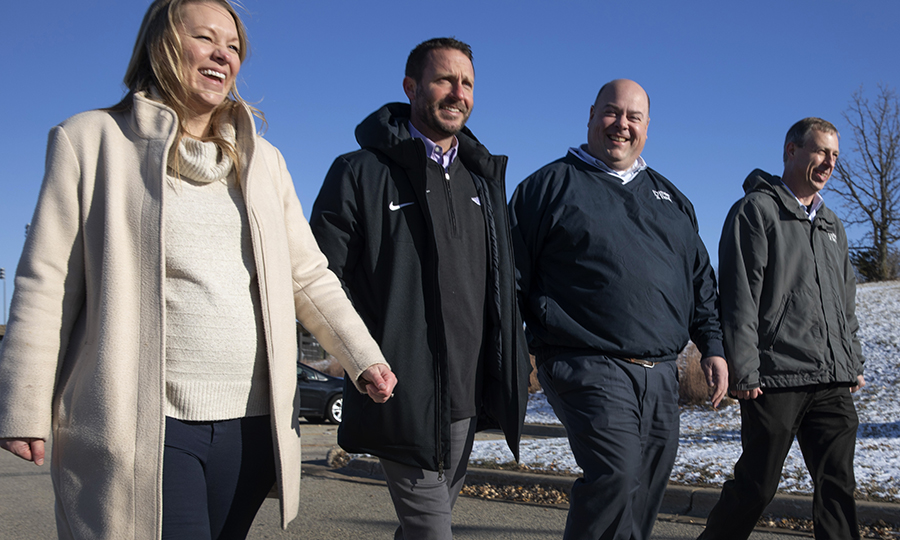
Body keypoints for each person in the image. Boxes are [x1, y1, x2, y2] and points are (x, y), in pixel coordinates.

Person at [0, 1, 397, 539]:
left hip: (253, 424)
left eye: (233, 47)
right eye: (205, 39)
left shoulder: (264, 161)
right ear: (161, 43)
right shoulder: (90, 141)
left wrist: (362, 357)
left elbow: (307, 275)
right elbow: (47, 281)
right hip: (145, 423)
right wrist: (23, 402)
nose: (222, 55)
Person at [309, 37, 530, 540]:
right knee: (433, 532)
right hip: (402, 393)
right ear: (411, 87)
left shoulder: (482, 179)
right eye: (444, 80)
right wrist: (358, 354)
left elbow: (499, 284)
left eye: (467, 82)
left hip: (467, 395)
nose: (458, 92)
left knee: (423, 529)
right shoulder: (360, 172)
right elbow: (321, 276)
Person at [509, 78, 729, 540]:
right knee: (616, 474)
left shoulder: (672, 200)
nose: (622, 125)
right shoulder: (547, 188)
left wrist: (712, 345)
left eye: (634, 117)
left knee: (643, 490)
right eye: (612, 113)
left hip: (660, 371)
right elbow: (511, 280)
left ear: (648, 125)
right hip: (584, 360)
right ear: (591, 116)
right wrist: (509, 354)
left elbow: (699, 281)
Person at [698, 118, 865, 540]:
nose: (828, 163)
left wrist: (853, 360)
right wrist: (745, 369)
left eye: (834, 156)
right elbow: (739, 296)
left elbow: (846, 302)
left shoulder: (832, 226)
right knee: (757, 486)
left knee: (838, 488)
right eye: (820, 151)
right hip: (776, 378)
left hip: (831, 379)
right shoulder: (756, 212)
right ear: (791, 150)